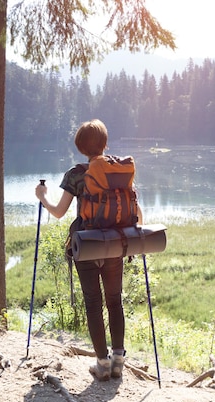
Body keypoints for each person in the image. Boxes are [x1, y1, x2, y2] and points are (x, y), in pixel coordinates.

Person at [35, 119, 142, 381]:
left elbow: (59, 212)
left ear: (81, 147)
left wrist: (42, 197)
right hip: (116, 244)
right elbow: (137, 212)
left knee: (93, 304)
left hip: (87, 243)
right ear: (105, 143)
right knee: (115, 301)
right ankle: (119, 362)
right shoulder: (119, 170)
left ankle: (102, 364)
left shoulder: (76, 173)